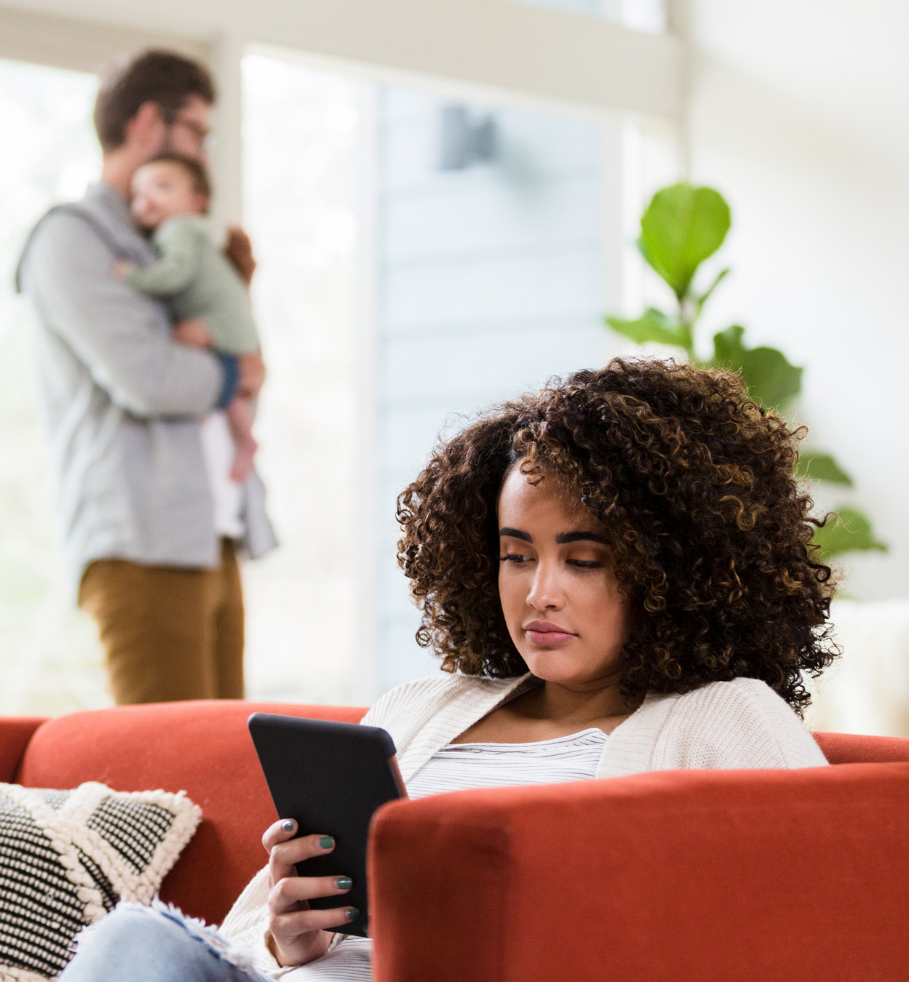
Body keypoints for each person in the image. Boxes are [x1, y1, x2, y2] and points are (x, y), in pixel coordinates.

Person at [59, 359, 837, 982]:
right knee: (134, 940)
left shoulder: (726, 719)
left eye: (585, 559)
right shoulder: (416, 708)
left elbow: (823, 922)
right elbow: (231, 949)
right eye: (516, 554)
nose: (539, 593)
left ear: (672, 569)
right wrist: (286, 937)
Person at [18, 49, 276, 707]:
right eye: (195, 133)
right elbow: (152, 378)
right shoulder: (72, 240)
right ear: (148, 125)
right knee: (171, 785)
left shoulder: (174, 243)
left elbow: (240, 363)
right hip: (142, 543)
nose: (204, 156)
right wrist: (229, 369)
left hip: (209, 537)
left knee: (229, 775)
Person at [115, 153, 264, 484]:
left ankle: (208, 409)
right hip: (230, 322)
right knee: (233, 379)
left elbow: (175, 274)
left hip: (220, 320)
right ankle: (244, 436)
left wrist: (133, 276)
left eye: (162, 187)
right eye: (137, 194)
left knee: (178, 340)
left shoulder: (178, 228)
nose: (147, 199)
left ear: (197, 201)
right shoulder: (187, 231)